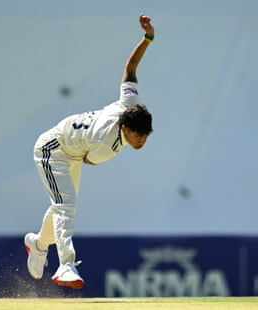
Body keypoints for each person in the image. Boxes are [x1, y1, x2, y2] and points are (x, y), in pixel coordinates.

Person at [24, 13, 155, 289]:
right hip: (51, 150)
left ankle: (37, 244)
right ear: (125, 128)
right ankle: (66, 265)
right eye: (138, 136)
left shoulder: (130, 105)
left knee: (62, 204)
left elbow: (130, 68)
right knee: (65, 205)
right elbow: (89, 159)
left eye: (145, 136)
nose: (141, 141)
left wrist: (148, 38)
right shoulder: (107, 144)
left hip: (73, 150)